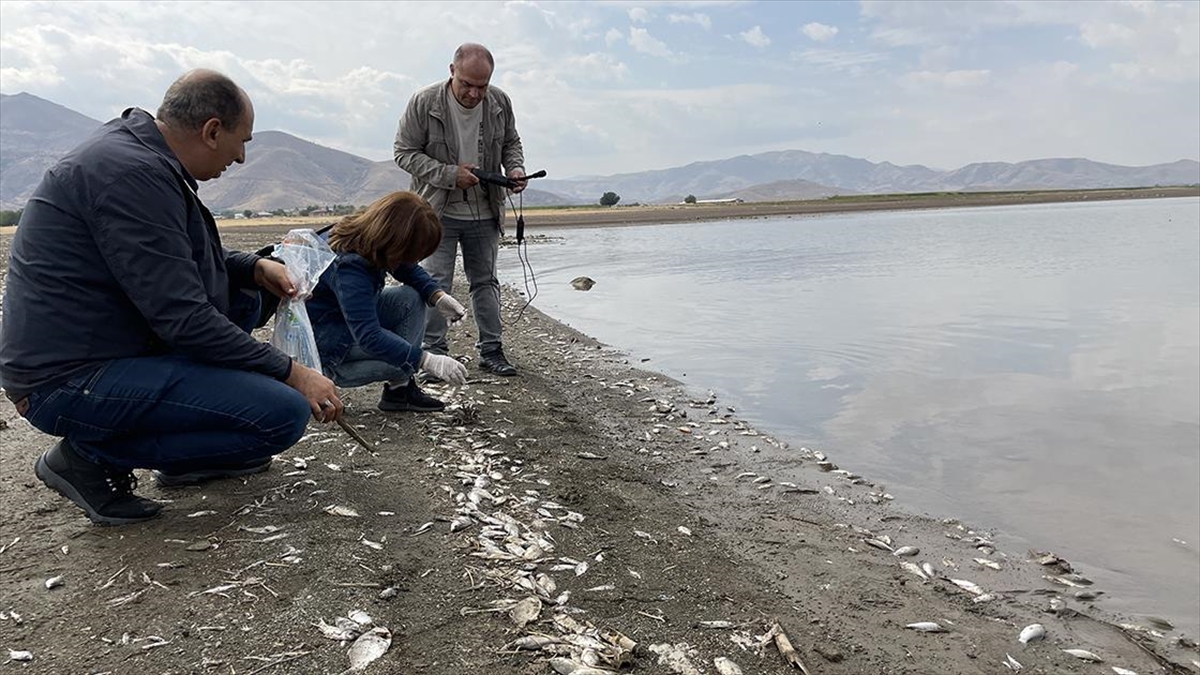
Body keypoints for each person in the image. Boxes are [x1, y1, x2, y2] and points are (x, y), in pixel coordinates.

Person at [0, 69, 343, 526]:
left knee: (242, 299)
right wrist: (293, 372)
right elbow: (184, 320)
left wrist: (251, 266)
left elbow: (166, 250)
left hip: (101, 349)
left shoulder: (137, 156)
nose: (241, 158)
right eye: (242, 142)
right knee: (280, 413)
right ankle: (88, 456)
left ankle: (187, 456)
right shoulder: (130, 173)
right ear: (212, 131)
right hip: (66, 379)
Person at [394, 42, 527, 377]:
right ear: (452, 71)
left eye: (481, 86)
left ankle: (493, 351)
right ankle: (435, 354)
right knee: (436, 281)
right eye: (467, 84)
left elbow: (511, 142)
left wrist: (514, 169)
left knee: (486, 282)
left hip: (486, 209)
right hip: (435, 212)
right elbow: (403, 153)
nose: (474, 93)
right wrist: (450, 175)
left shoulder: (499, 101)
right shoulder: (424, 102)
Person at [307, 191, 470, 412]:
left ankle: (399, 390)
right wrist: (425, 360)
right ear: (397, 241)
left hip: (341, 321)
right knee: (403, 357)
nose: (416, 260)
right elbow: (369, 337)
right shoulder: (350, 267)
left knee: (410, 298)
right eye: (413, 253)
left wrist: (437, 296)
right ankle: (399, 383)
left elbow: (406, 267)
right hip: (329, 348)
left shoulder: (367, 234)